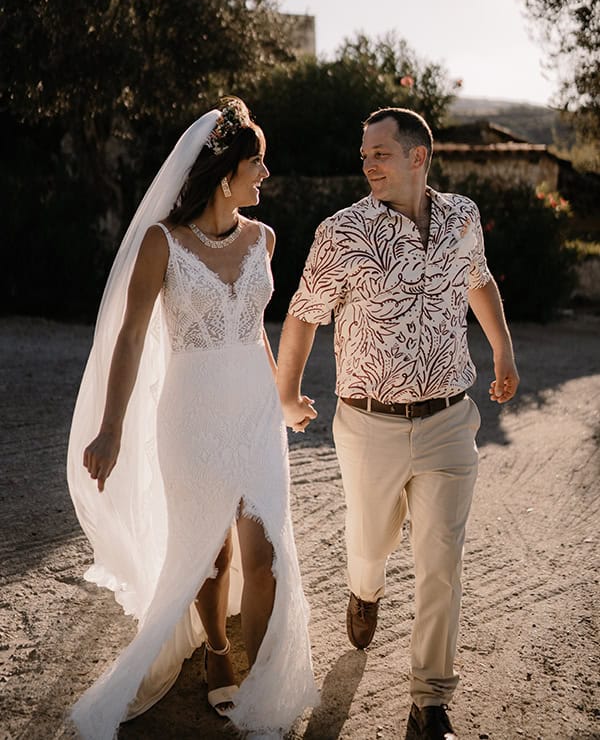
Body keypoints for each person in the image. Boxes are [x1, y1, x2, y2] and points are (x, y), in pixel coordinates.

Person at [67, 98, 318, 740]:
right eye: (257, 163)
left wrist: (284, 397)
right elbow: (128, 340)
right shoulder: (163, 243)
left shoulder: (264, 238)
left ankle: (261, 686)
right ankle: (214, 649)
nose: (266, 175)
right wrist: (112, 428)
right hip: (193, 410)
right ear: (225, 170)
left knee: (263, 556)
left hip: (255, 411)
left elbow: (256, 330)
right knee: (210, 553)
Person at [276, 108, 519, 740]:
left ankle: (429, 702)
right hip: (368, 426)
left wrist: (504, 350)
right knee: (369, 544)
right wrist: (287, 393)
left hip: (448, 420)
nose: (368, 166)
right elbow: (303, 315)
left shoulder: (463, 218)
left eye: (380, 154)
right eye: (364, 156)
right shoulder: (343, 232)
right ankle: (364, 590)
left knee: (441, 557)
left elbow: (479, 282)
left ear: (418, 156)